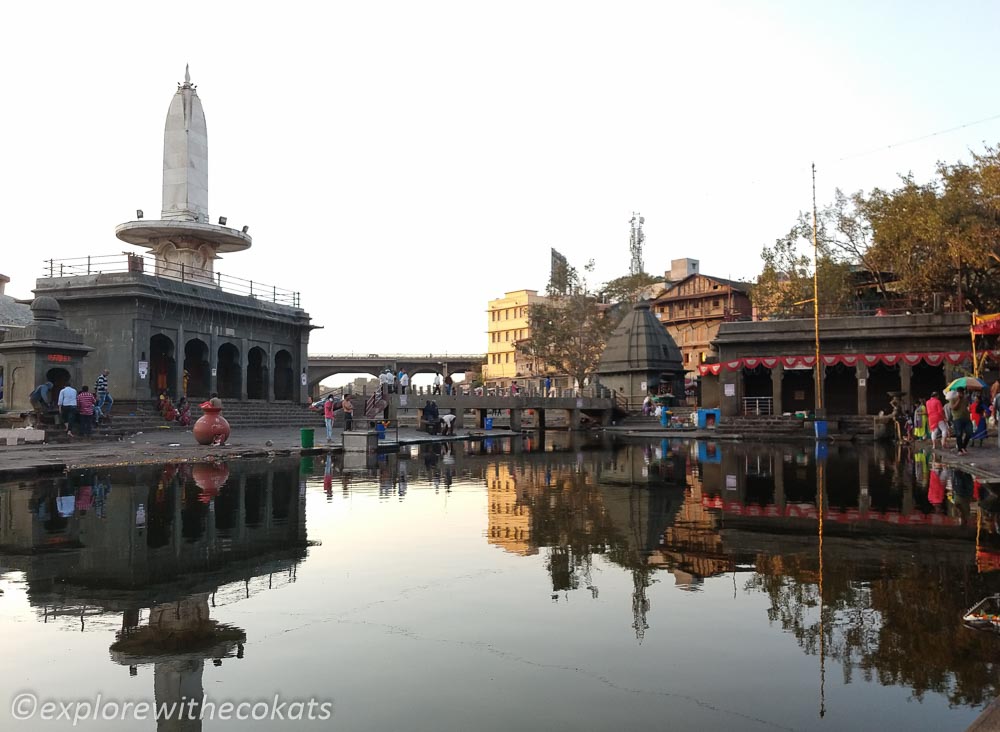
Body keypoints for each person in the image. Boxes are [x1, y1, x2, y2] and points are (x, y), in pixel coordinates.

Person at [950, 387, 972, 455]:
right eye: (959, 393)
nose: (961, 394)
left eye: (962, 393)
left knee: (969, 432)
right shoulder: (953, 399)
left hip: (966, 418)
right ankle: (960, 449)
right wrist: (959, 400)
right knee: (959, 434)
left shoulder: (965, 399)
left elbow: (968, 407)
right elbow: (953, 408)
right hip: (957, 418)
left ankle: (963, 447)